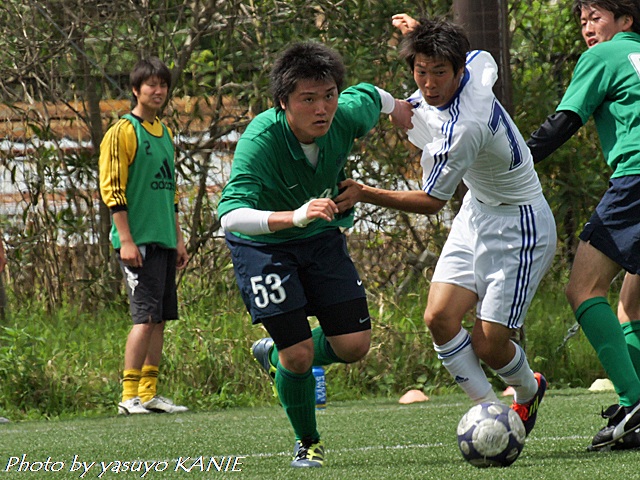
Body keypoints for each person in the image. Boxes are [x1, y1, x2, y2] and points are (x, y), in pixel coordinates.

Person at [335, 16, 556, 437]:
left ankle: (527, 391)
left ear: (459, 73)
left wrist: (364, 192)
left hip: (520, 223)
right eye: (421, 71)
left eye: (440, 73)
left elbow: (433, 202)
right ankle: (492, 414)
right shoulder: (476, 62)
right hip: (478, 210)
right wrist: (421, 35)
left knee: (488, 345)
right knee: (438, 317)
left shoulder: (463, 129)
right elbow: (467, 53)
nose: (429, 84)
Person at [217, 42, 412, 468]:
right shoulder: (261, 140)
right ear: (283, 102)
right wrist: (294, 215)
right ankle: (307, 441)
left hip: (320, 238)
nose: (322, 108)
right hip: (263, 247)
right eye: (308, 99)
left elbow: (373, 97)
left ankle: (275, 354)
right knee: (301, 354)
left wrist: (397, 107)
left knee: (354, 345)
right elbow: (230, 217)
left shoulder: (344, 113)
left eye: (328, 95)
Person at [526, 0, 640, 451]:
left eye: (597, 18)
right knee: (631, 309)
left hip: (635, 179)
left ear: (625, 21)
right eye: (583, 21)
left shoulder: (603, 56)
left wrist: (513, 163)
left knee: (582, 289)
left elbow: (563, 122)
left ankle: (634, 403)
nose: (588, 29)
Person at [99, 57, 189, 415]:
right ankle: (128, 395)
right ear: (136, 90)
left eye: (163, 85)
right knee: (143, 317)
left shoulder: (164, 132)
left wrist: (178, 239)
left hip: (164, 239)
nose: (158, 91)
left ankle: (150, 392)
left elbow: (172, 193)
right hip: (138, 242)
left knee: (160, 317)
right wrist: (126, 240)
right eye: (150, 85)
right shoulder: (123, 130)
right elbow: (113, 189)